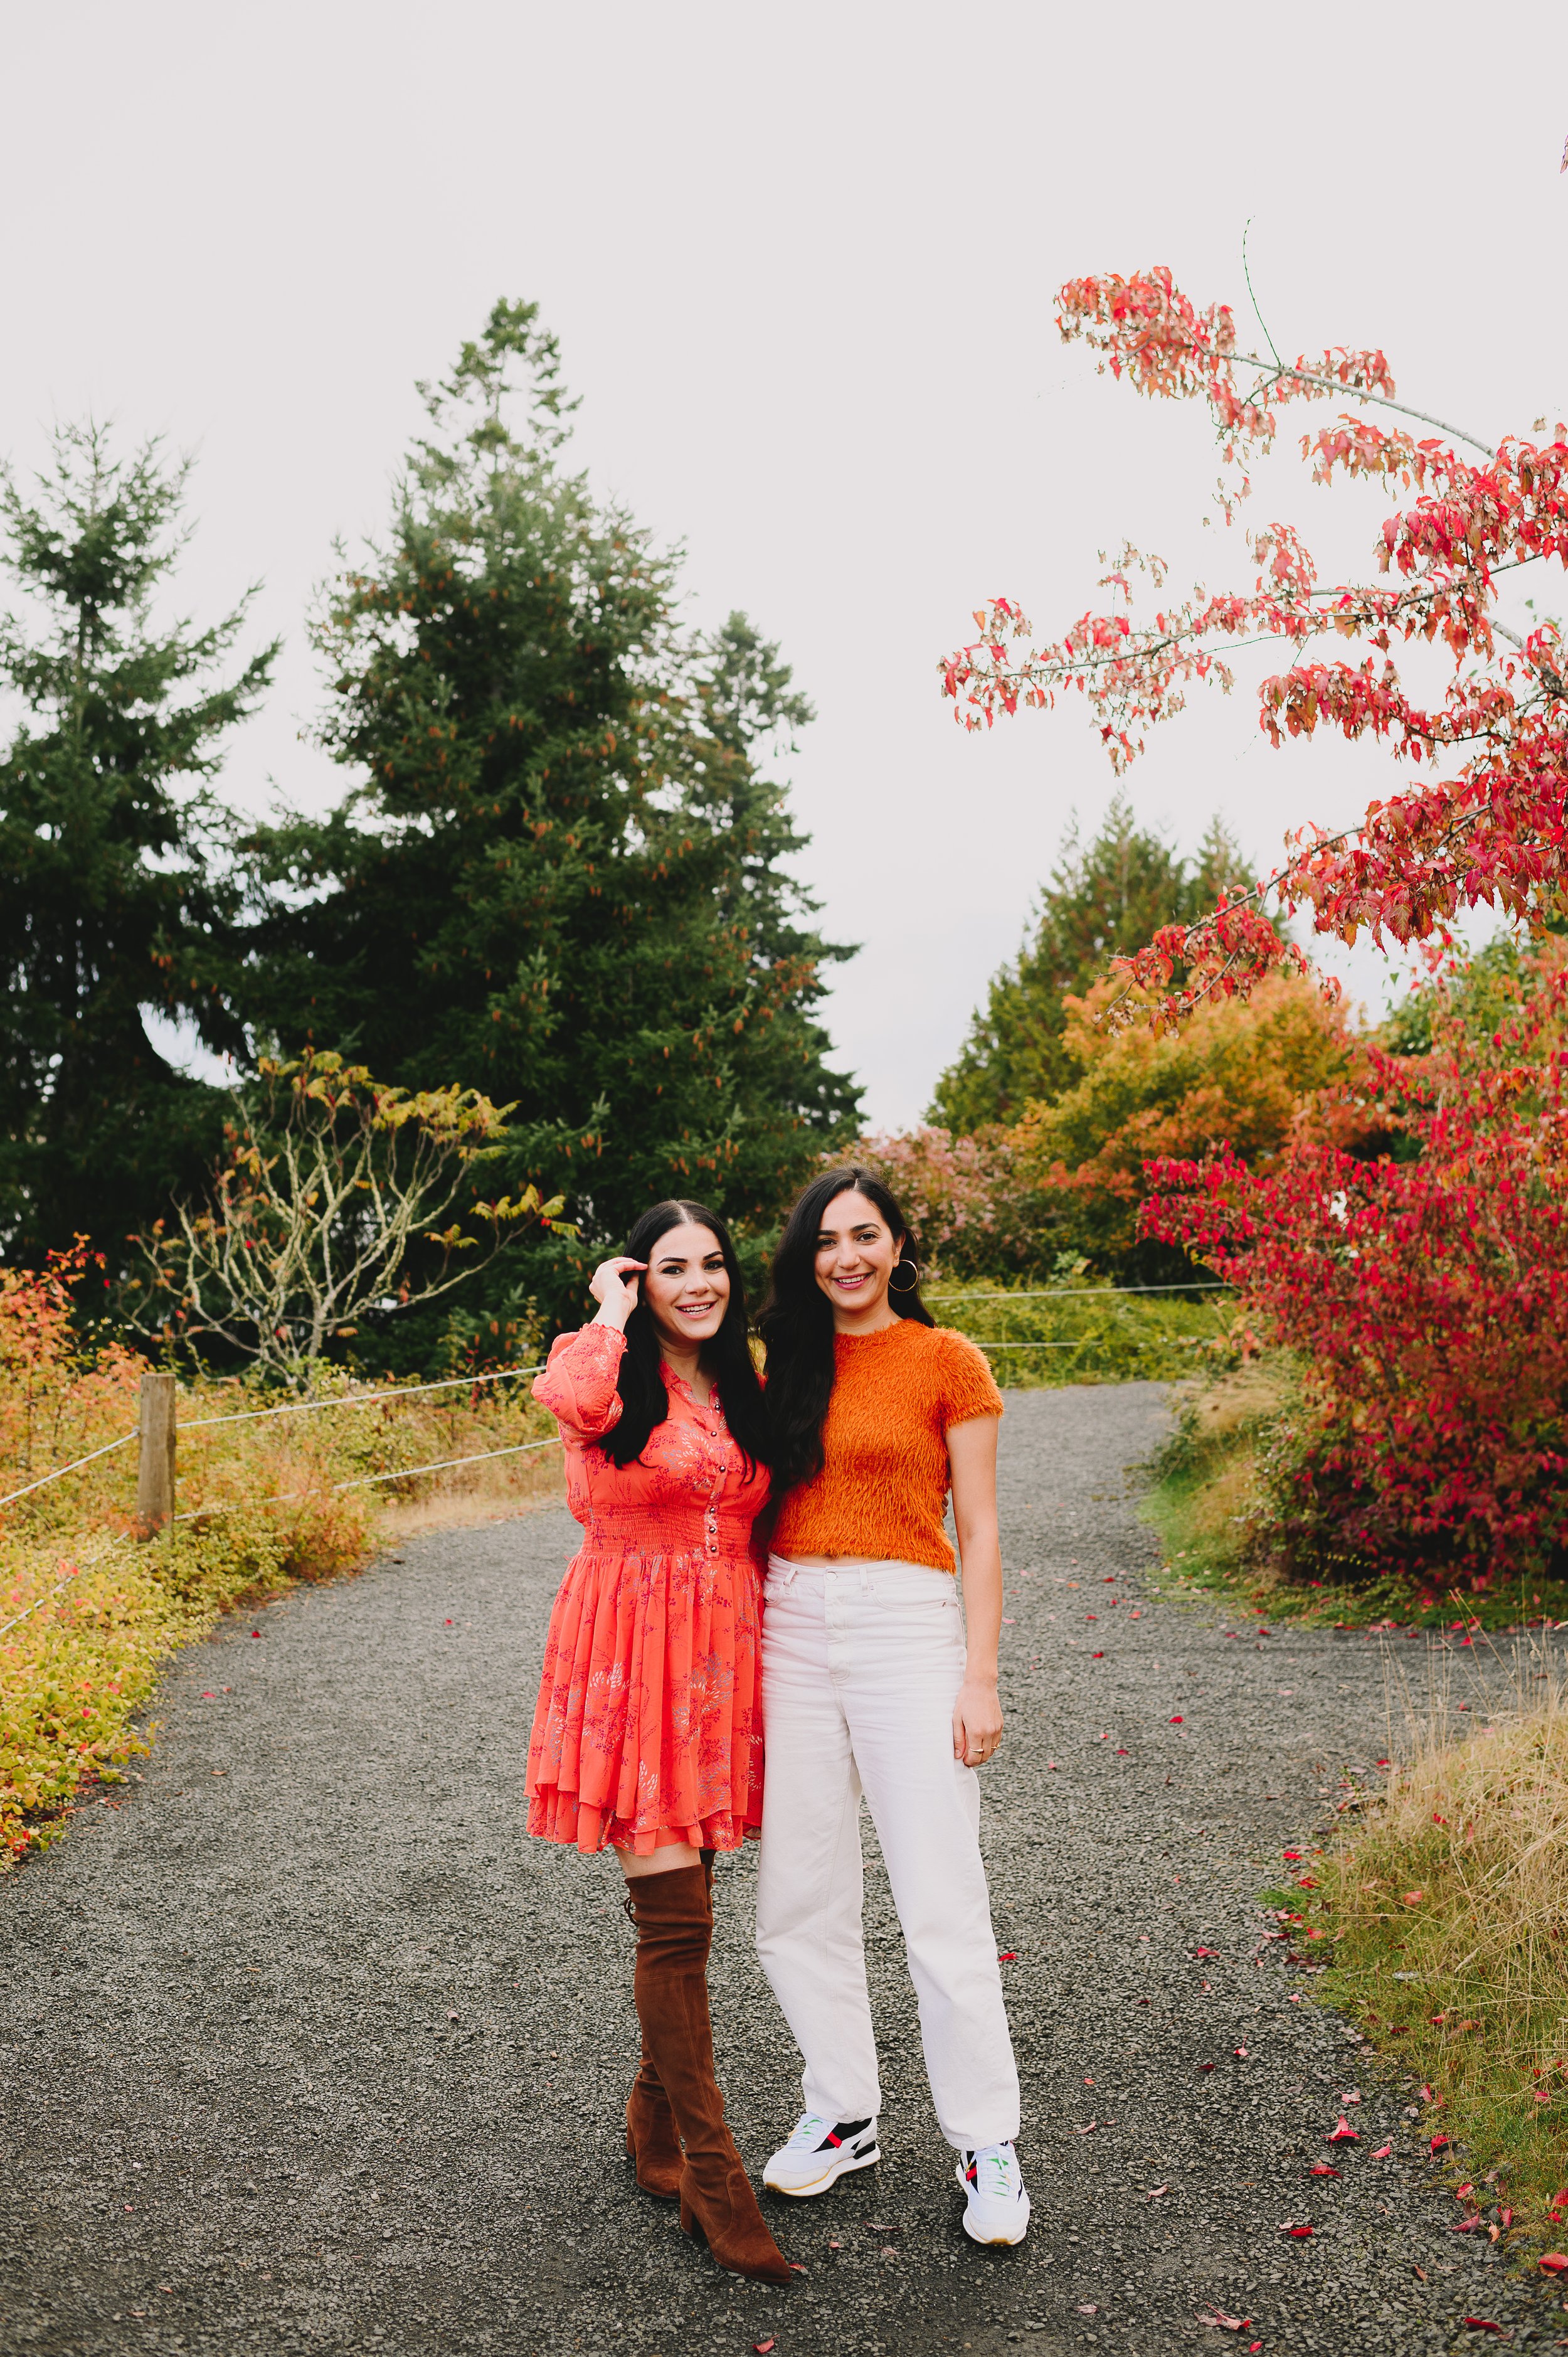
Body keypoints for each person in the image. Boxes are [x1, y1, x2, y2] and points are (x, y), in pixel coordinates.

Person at [753, 1167, 1029, 2246]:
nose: (846, 1257)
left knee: (940, 1895)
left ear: (899, 1244)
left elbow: (986, 1531)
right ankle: (844, 2111)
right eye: (826, 1240)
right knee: (797, 1894)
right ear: (806, 1255)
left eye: (865, 1236)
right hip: (791, 1621)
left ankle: (985, 2139)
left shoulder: (947, 1359)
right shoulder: (788, 1362)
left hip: (908, 1625)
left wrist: (980, 1673)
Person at [526, 1199, 791, 2285]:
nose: (698, 1282)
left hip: (721, 1665)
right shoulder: (604, 1370)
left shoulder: (746, 1385)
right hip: (631, 1658)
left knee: (696, 1907)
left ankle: (650, 2128)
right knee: (675, 1928)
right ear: (643, 1278)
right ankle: (715, 2179)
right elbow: (575, 1399)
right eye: (671, 1266)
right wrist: (607, 1306)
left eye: (712, 1264)